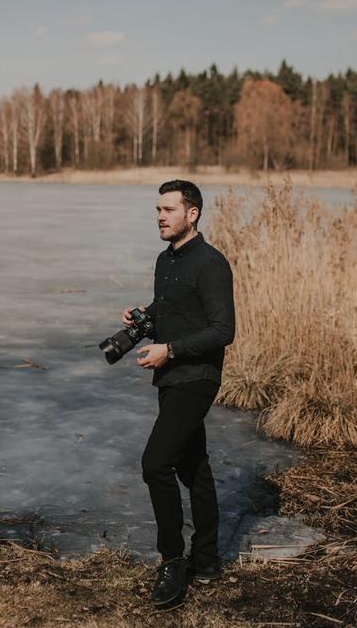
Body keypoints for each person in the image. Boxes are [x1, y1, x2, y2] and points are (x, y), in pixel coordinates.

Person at [122, 179, 235, 606]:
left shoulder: (211, 264)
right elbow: (169, 310)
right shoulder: (164, 261)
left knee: (155, 464)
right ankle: (206, 560)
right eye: (157, 210)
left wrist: (170, 349)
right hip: (171, 378)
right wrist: (143, 318)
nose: (160, 217)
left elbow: (224, 330)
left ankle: (172, 560)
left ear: (193, 214)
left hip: (197, 378)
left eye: (168, 210)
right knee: (194, 468)